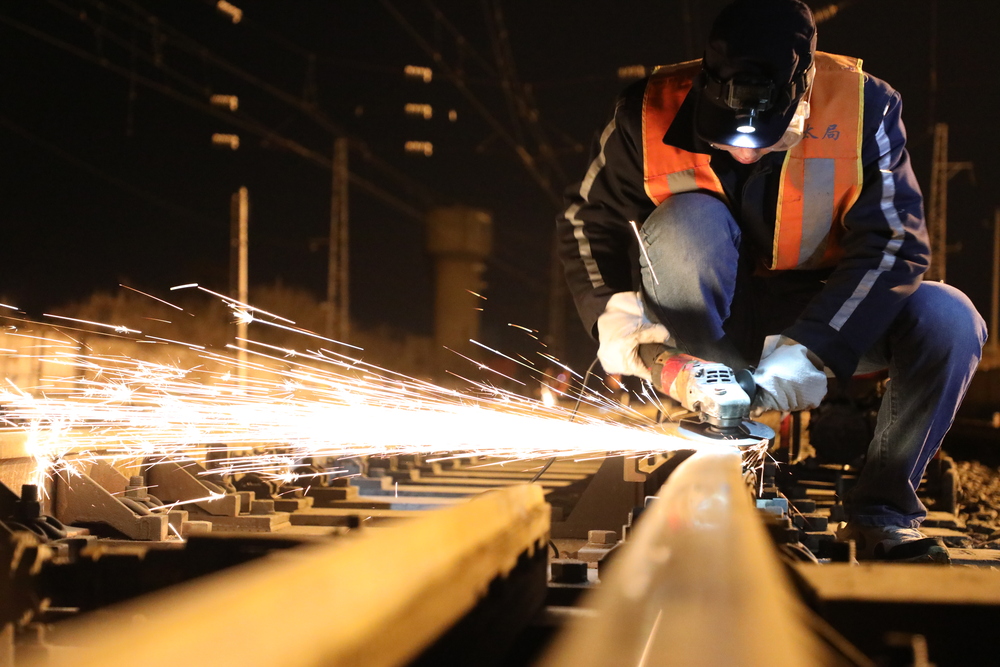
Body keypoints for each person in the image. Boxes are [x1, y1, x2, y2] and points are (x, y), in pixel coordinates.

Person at [556, 0, 986, 562]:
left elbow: (895, 242)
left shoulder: (865, 107)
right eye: (725, 136)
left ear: (801, 93)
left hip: (823, 309)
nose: (739, 150)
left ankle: (881, 511)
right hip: (708, 318)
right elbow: (588, 221)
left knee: (950, 320)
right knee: (687, 223)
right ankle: (708, 428)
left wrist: (814, 348)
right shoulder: (647, 109)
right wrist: (615, 316)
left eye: (760, 138)